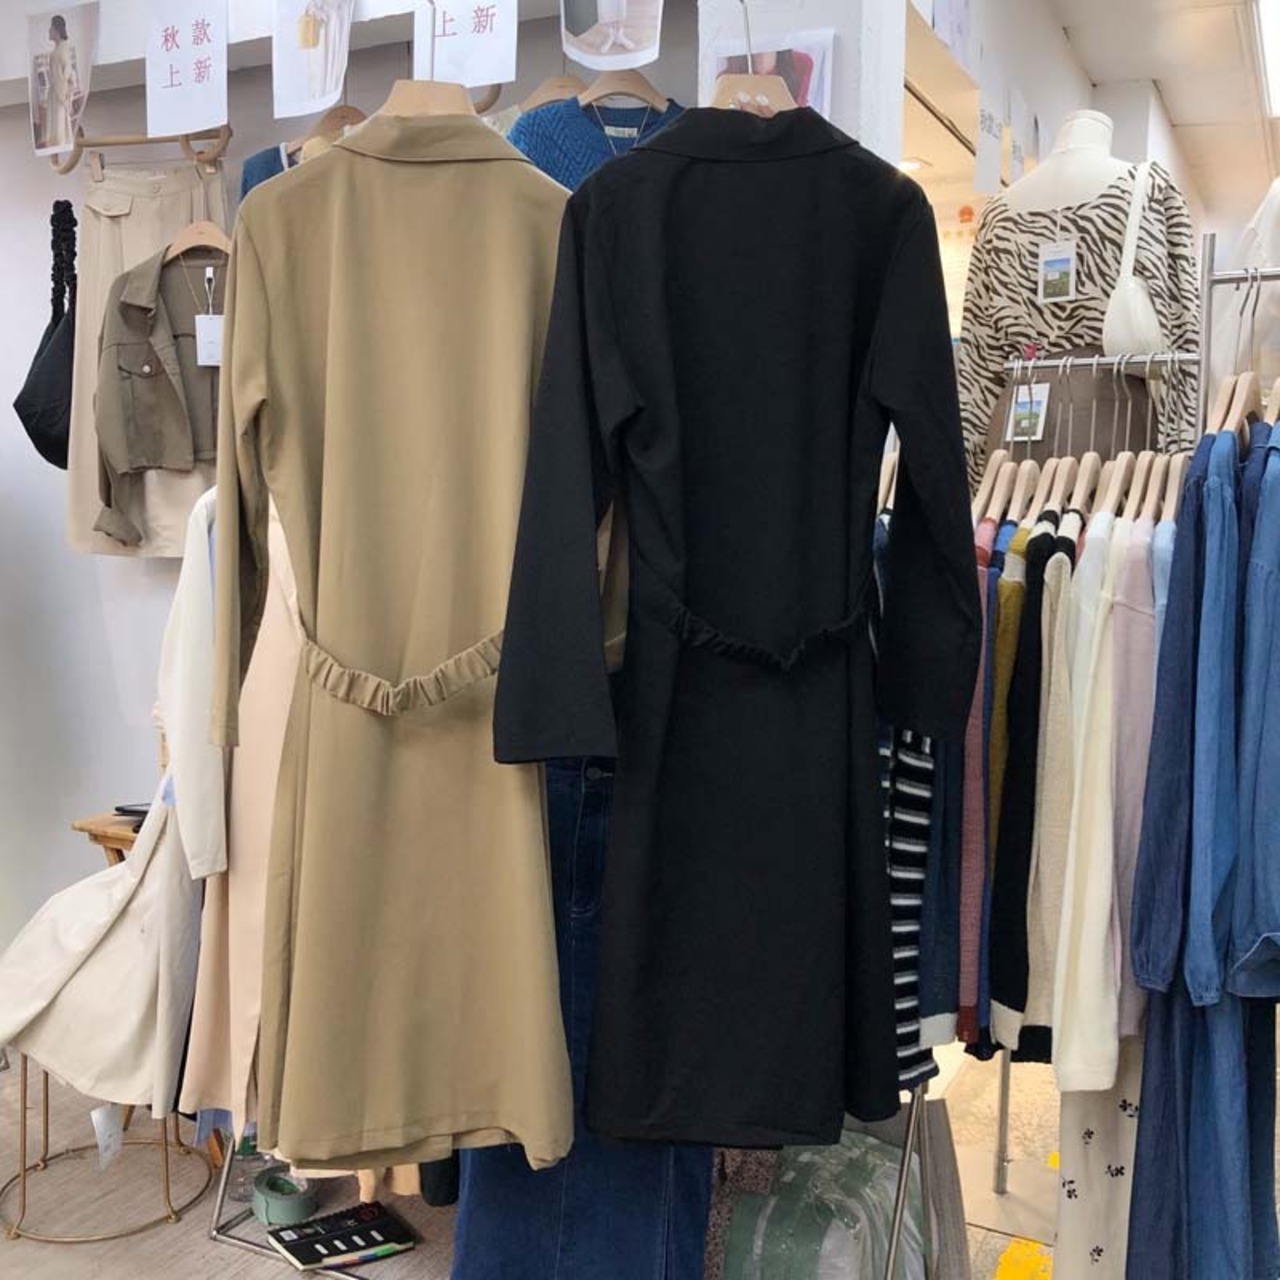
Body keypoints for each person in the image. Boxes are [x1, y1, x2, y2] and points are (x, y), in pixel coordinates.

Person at [44, 15, 77, 151]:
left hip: (59, 95)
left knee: (59, 126)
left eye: (51, 27)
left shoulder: (59, 52)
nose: (49, 30)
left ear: (57, 29)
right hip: (58, 94)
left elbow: (64, 77)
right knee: (60, 126)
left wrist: (65, 98)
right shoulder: (60, 49)